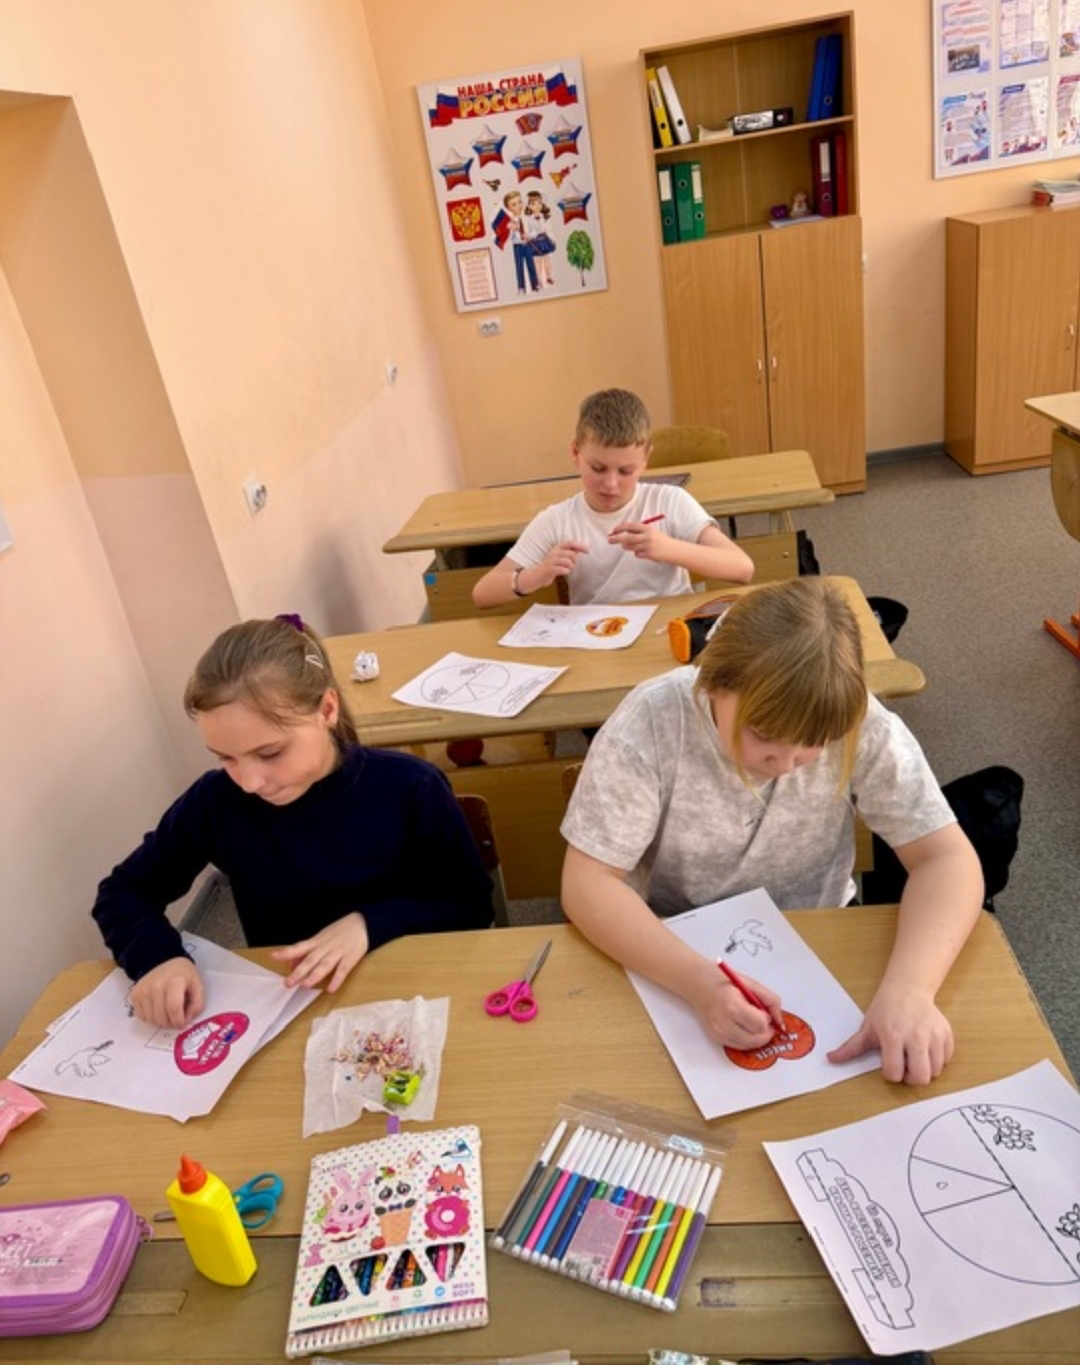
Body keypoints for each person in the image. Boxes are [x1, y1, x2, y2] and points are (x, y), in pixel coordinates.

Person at [560, 578, 984, 1087]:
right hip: (672, 940)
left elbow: (946, 860)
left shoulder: (860, 720)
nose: (785, 763)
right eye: (763, 735)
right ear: (712, 683)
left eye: (814, 744)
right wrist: (699, 983)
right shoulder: (651, 721)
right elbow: (587, 884)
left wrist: (911, 990)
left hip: (819, 933)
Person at [92, 615, 493, 1029]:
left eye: (270, 753)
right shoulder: (216, 801)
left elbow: (470, 905)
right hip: (293, 1007)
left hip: (416, 993)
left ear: (327, 710)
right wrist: (158, 958)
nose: (249, 782)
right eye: (226, 757)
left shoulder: (410, 787)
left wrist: (368, 924)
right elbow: (123, 893)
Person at [471, 389, 753, 609]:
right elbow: (482, 594)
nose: (610, 484)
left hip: (668, 631)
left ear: (646, 459)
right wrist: (537, 575)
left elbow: (742, 568)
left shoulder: (669, 501)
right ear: (575, 453)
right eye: (597, 468)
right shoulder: (557, 520)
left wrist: (669, 548)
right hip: (596, 637)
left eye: (626, 471)